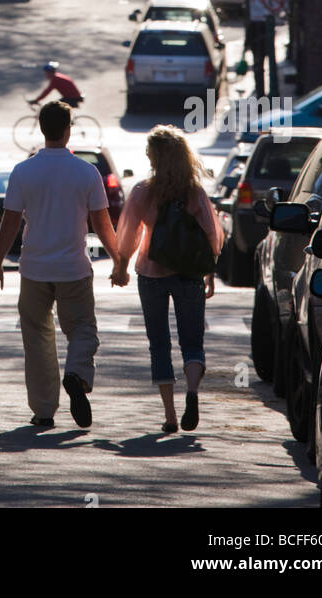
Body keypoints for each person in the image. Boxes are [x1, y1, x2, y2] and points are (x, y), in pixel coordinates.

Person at [0, 100, 126, 430]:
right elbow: (102, 224)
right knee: (82, 329)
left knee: (36, 338)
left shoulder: (24, 171)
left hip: (33, 268)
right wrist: (118, 260)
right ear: (68, 129)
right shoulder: (86, 172)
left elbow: (9, 222)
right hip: (74, 268)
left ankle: (44, 409)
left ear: (40, 127)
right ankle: (77, 372)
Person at [113, 125, 224, 434]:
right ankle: (192, 392)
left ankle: (170, 415)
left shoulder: (142, 191)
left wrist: (121, 265)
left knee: (159, 343)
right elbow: (211, 237)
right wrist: (209, 274)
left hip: (151, 273)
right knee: (192, 342)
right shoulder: (195, 193)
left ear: (153, 157)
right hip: (189, 275)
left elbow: (128, 235)